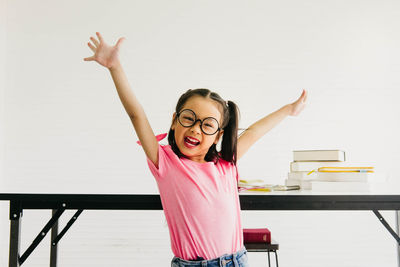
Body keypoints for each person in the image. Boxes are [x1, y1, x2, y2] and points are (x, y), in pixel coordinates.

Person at [84, 32, 307, 267]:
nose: (195, 130)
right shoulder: (166, 162)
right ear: (174, 121)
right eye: (189, 118)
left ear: (218, 135)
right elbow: (136, 114)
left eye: (207, 125)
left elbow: (253, 132)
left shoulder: (226, 164)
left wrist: (288, 110)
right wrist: (115, 67)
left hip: (236, 260)